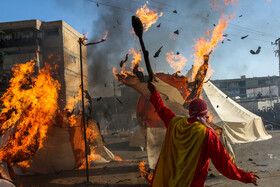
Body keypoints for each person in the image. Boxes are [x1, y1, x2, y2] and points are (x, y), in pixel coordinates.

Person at [147, 81, 259, 187]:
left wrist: (154, 92)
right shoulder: (208, 133)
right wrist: (246, 177)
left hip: (170, 182)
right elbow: (224, 165)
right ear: (205, 114)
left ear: (190, 112)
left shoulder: (176, 123)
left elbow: (162, 109)